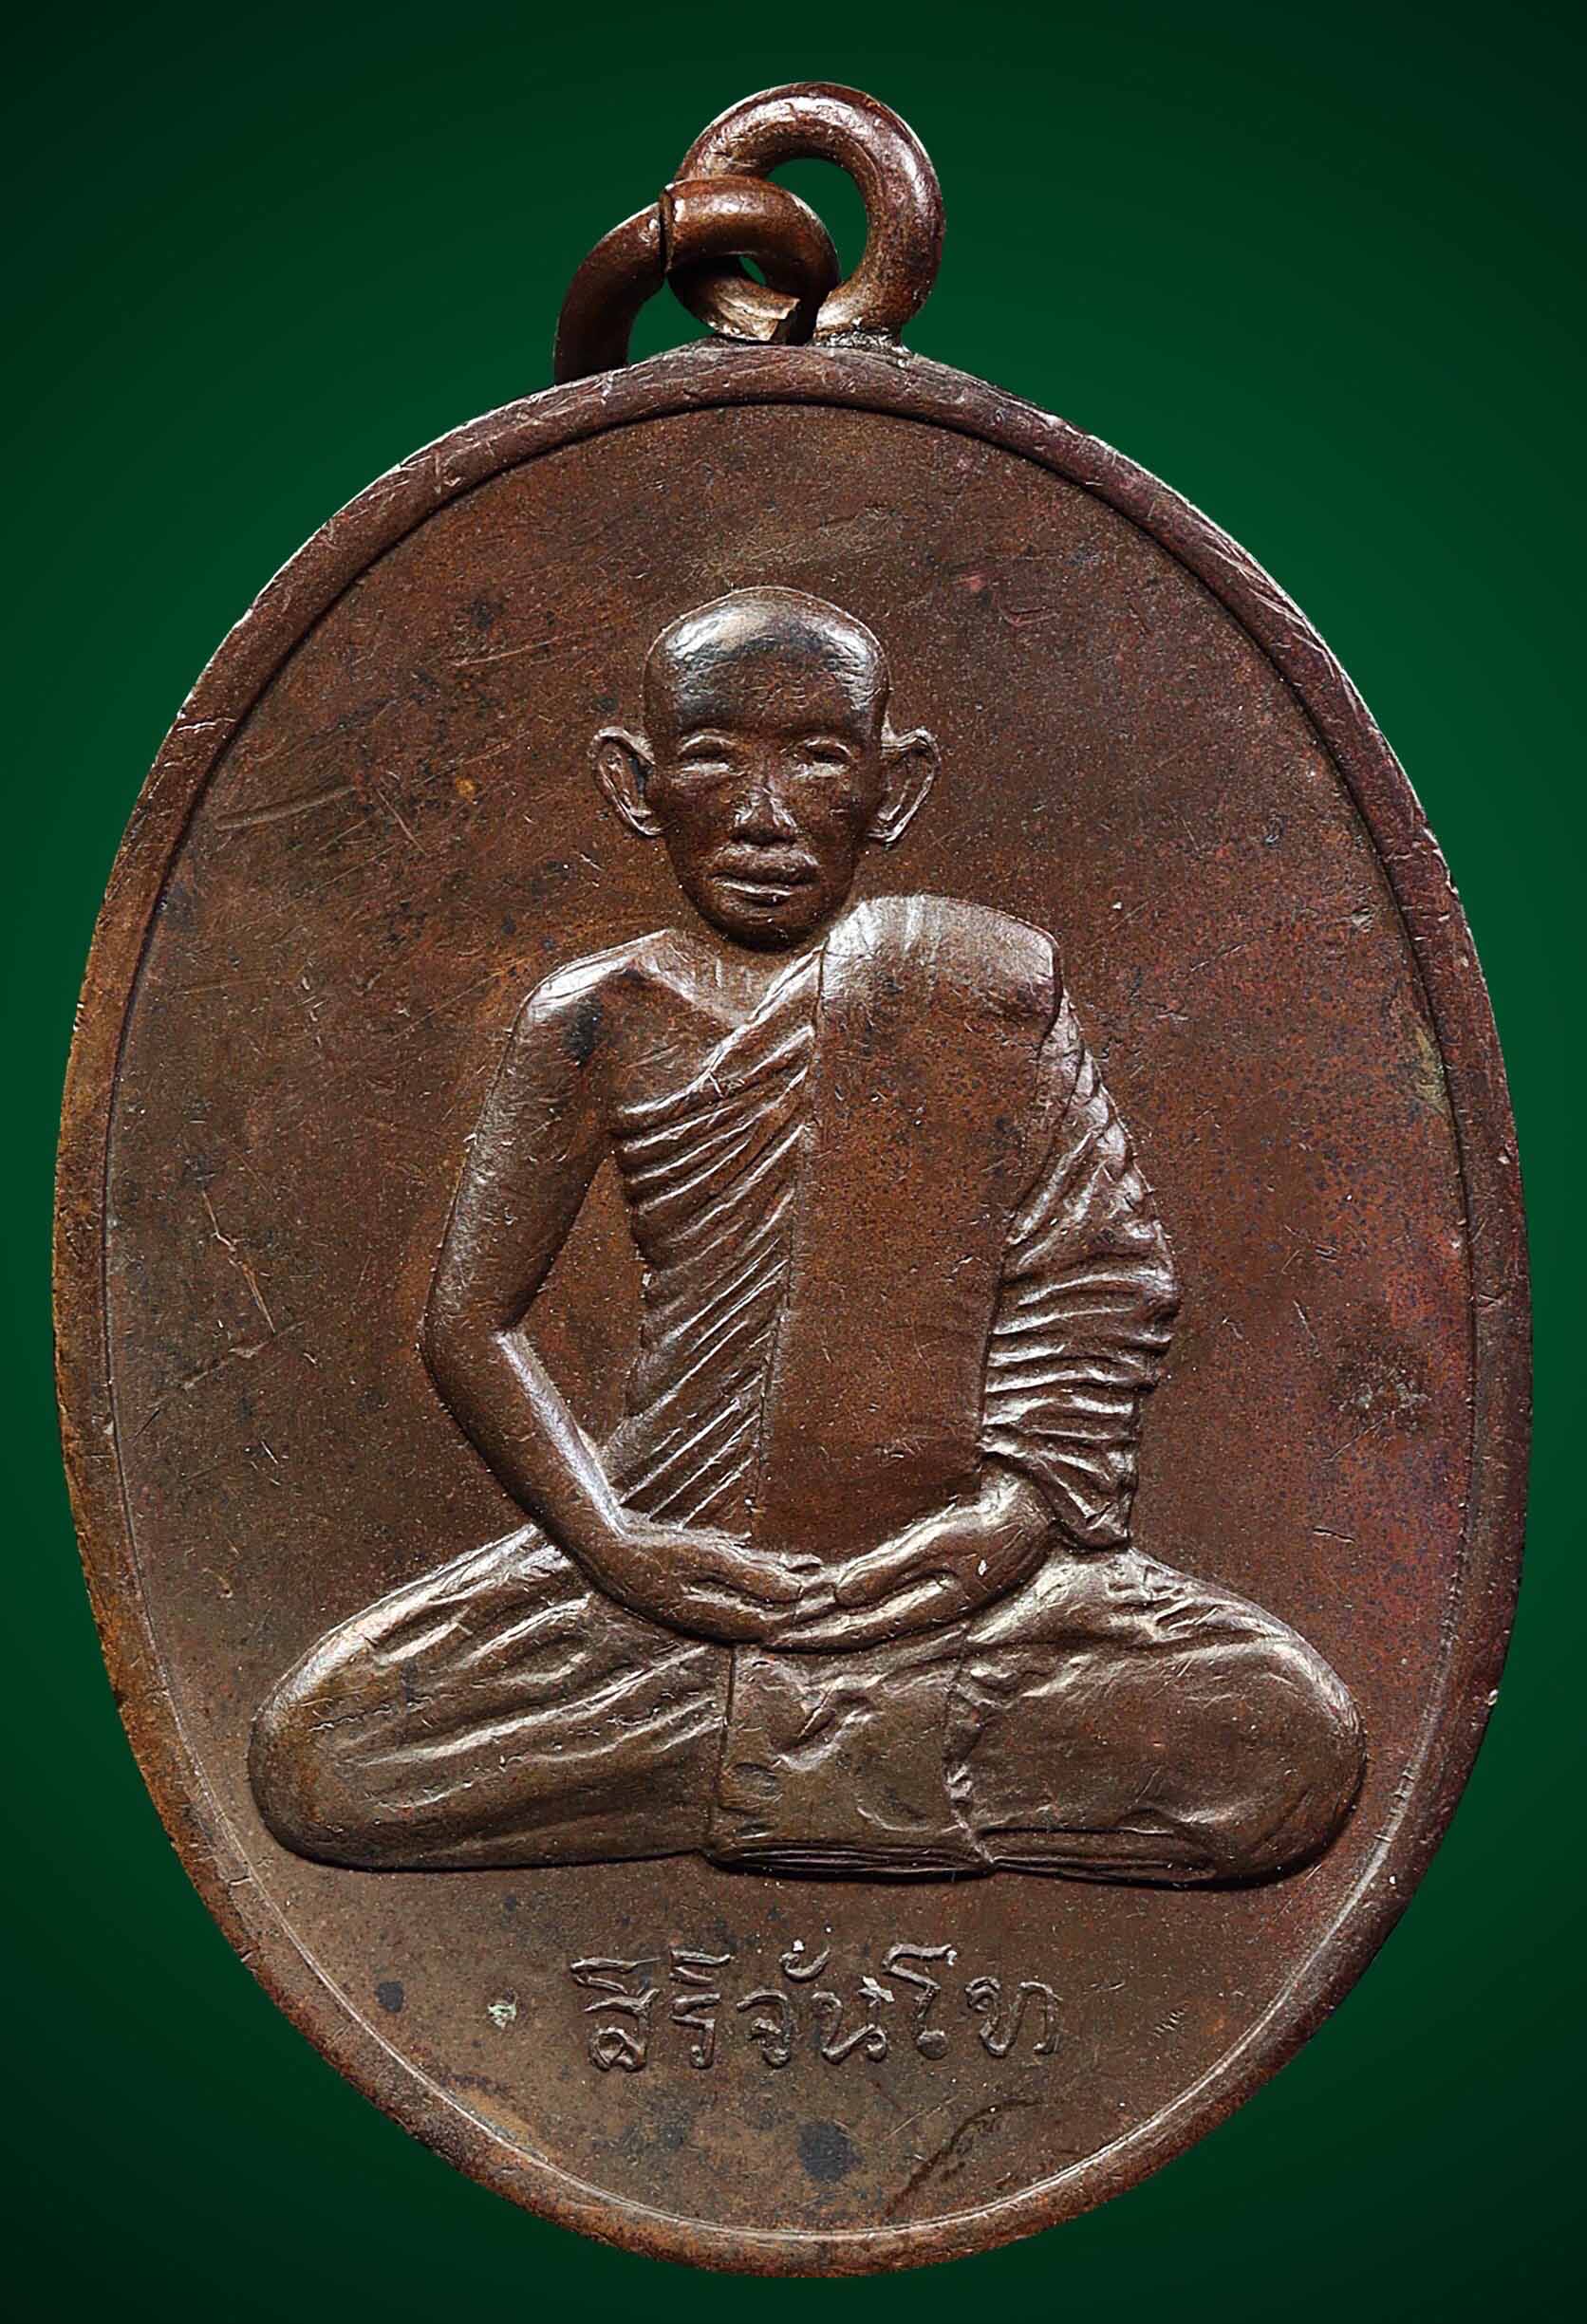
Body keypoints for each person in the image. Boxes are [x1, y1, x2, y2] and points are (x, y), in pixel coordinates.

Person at [251, 586, 1363, 1882]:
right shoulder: (598, 1014)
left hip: (952, 1578)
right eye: (714, 759)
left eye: (820, 759)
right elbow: (470, 1323)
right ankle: (855, 1755)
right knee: (320, 1757)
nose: (764, 816)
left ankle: (759, 1750)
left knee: (1288, 1735)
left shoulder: (985, 990)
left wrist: (1002, 1529)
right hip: (673, 1563)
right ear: (635, 785)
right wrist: (619, 1550)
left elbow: (1098, 1283)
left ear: (894, 787)